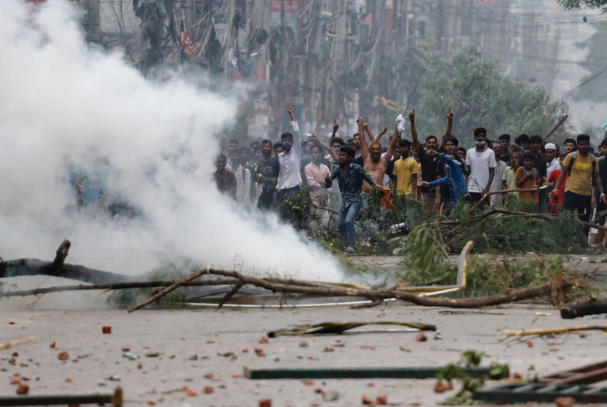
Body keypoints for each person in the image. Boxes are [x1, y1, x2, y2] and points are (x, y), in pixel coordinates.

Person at [324, 146, 383, 254]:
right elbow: (328, 183)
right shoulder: (338, 170)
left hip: (356, 200)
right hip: (345, 201)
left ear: (350, 157)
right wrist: (327, 180)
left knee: (348, 221)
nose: (340, 157)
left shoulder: (356, 168)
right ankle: (347, 246)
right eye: (340, 154)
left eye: (343, 155)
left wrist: (376, 184)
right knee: (341, 225)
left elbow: (367, 176)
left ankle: (352, 246)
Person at [554, 134, 607, 232]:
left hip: (585, 194)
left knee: (584, 222)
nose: (584, 146)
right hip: (571, 192)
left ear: (589, 144)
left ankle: (582, 244)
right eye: (581, 144)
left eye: (586, 144)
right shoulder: (571, 157)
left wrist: (602, 193)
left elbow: (597, 177)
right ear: (578, 145)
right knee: (567, 219)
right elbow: (563, 174)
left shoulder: (593, 159)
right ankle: (566, 242)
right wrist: (556, 188)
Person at [420, 135, 469, 206]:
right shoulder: (449, 170)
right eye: (447, 145)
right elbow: (444, 180)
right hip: (448, 196)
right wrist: (429, 184)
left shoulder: (457, 165)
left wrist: (437, 154)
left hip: (461, 197)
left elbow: (449, 161)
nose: (449, 146)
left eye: (451, 145)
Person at [357, 117, 400, 194]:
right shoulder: (366, 158)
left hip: (379, 195)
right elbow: (362, 140)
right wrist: (360, 126)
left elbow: (393, 142)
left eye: (377, 149)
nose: (375, 151)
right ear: (370, 150)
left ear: (381, 151)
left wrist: (398, 124)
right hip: (364, 195)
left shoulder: (385, 160)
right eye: (373, 149)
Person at [409, 110, 440, 211]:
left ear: (436, 144)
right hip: (426, 190)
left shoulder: (440, 156)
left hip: (439, 190)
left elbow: (447, 137)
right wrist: (412, 123)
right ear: (426, 144)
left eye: (433, 142)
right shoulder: (423, 155)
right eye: (429, 142)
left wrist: (450, 121)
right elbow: (415, 138)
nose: (431, 144)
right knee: (426, 214)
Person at [276, 107, 302, 204]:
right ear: (282, 142)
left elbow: (296, 132)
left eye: (288, 140)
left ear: (291, 142)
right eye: (284, 141)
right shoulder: (280, 156)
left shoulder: (296, 152)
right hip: (282, 188)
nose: (286, 142)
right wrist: (277, 188)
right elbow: (281, 174)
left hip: (294, 187)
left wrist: (291, 115)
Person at [466, 127, 496, 208]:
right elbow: (468, 171)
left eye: (482, 136)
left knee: (484, 212)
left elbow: (492, 171)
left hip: (484, 189)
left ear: (485, 138)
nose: (480, 138)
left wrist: (487, 187)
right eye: (478, 136)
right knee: (471, 211)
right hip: (471, 188)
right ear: (474, 138)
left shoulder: (490, 153)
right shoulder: (469, 152)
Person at [251, 139, 279, 209]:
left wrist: (264, 179)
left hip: (275, 196)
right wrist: (268, 180)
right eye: (263, 147)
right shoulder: (261, 163)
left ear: (271, 149)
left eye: (267, 146)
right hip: (264, 195)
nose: (265, 148)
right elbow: (256, 177)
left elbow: (279, 179)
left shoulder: (276, 162)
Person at [304, 143, 331, 207]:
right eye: (312, 153)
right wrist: (321, 184)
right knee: (314, 215)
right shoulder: (308, 167)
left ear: (320, 154)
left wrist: (326, 185)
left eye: (316, 152)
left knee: (326, 215)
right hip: (313, 198)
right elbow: (310, 182)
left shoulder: (325, 168)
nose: (314, 154)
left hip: (325, 198)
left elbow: (329, 181)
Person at [528, 135, 548, 213]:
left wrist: (545, 181)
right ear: (529, 144)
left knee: (541, 213)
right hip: (527, 189)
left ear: (540, 145)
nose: (535, 145)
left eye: (537, 143)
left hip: (540, 190)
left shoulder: (542, 159)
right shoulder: (525, 158)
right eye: (533, 143)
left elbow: (543, 174)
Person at [489, 142, 508, 207]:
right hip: (489, 192)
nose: (497, 149)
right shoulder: (487, 163)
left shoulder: (504, 165)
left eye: (499, 148)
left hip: (500, 193)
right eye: (495, 148)